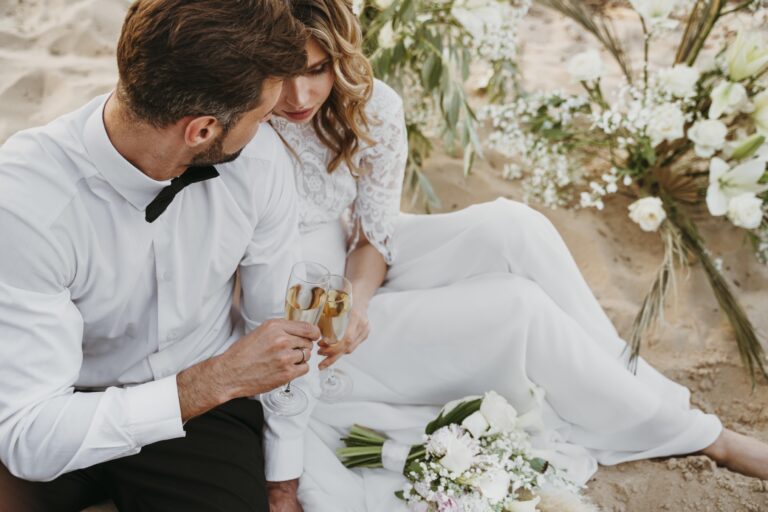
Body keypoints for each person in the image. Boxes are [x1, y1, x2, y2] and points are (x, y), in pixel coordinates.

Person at [268, 0, 768, 510]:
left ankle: (633, 388)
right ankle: (706, 437)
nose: (299, 95)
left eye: (317, 70)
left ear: (342, 59)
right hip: (293, 306)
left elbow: (373, 238)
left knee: (513, 228)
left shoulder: (372, 107)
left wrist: (361, 301)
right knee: (517, 308)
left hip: (352, 272)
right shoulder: (247, 121)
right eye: (282, 74)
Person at [0, 1, 317, 511]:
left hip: (207, 418)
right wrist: (214, 380)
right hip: (66, 403)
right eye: (261, 116)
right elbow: (29, 436)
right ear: (202, 130)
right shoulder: (25, 202)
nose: (268, 128)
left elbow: (281, 331)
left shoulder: (260, 166)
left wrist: (282, 480)